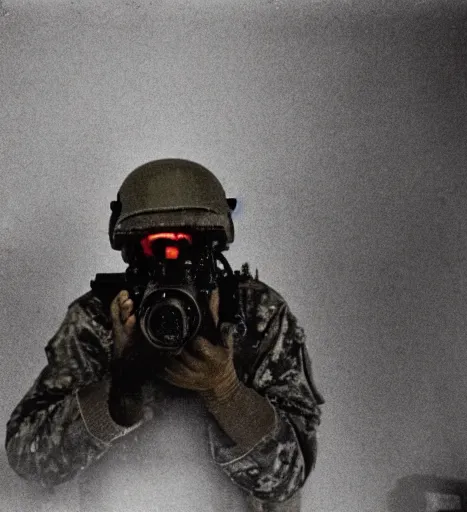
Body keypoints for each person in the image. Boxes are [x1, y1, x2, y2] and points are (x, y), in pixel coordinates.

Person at [5, 159, 324, 512]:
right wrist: (120, 391)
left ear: (214, 251)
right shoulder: (101, 318)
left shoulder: (254, 315)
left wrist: (227, 392)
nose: (172, 261)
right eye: (153, 248)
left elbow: (288, 480)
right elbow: (30, 462)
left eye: (190, 248)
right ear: (129, 252)